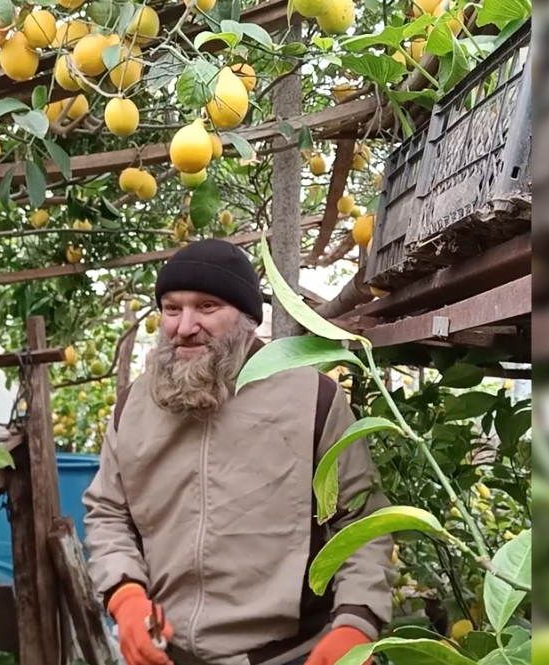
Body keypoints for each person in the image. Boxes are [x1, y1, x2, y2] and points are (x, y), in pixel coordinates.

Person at [82, 239, 393, 665]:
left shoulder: (312, 399)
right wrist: (125, 594)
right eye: (172, 308)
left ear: (247, 318)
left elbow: (361, 523)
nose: (185, 325)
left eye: (207, 307)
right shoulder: (134, 405)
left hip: (290, 655)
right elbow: (108, 512)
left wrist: (355, 622)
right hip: (166, 653)